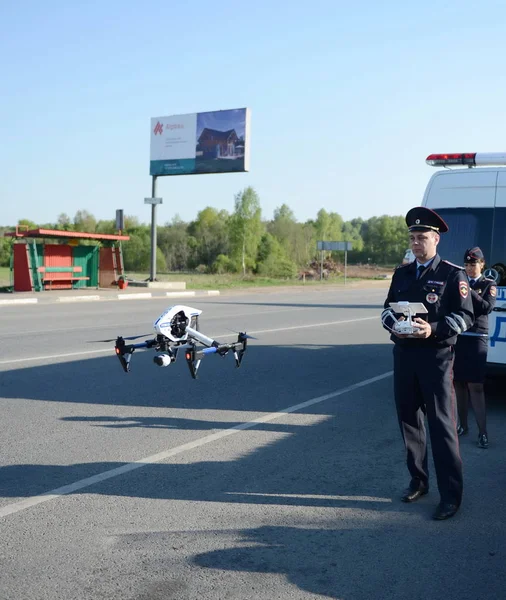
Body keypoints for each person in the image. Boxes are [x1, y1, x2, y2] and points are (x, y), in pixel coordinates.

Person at [381, 207, 474, 520]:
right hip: (404, 355)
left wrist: (432, 328)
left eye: (422, 237)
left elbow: (465, 316)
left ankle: (451, 496)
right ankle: (418, 481)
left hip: (436, 357)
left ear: (436, 240)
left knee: (442, 426)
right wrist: (393, 324)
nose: (416, 243)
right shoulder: (402, 273)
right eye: (412, 237)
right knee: (409, 421)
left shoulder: (452, 274)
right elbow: (386, 310)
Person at [453, 247, 496, 449]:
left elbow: (486, 307)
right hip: (460, 337)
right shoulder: (458, 282)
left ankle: (483, 432)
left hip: (477, 338)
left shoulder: (488, 284)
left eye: (474, 264)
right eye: (467, 264)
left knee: (476, 386)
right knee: (459, 384)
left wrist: (468, 291)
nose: (470, 268)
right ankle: (463, 426)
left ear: (482, 264)